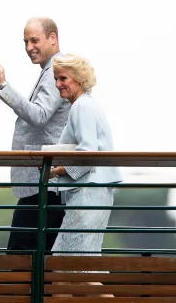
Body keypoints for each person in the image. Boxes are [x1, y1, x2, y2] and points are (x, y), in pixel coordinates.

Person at [0, 17, 70, 252]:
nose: (29, 47)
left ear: (53, 39)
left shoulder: (56, 69)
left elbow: (40, 115)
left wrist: (4, 86)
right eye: (25, 42)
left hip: (44, 183)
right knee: (37, 256)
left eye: (34, 40)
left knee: (20, 253)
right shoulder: (52, 69)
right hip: (42, 182)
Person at [48, 54, 122, 254]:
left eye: (63, 78)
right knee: (77, 261)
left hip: (89, 191)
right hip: (93, 190)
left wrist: (55, 171)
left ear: (79, 79)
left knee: (72, 262)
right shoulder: (86, 104)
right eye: (56, 79)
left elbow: (88, 154)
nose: (58, 84)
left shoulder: (82, 106)